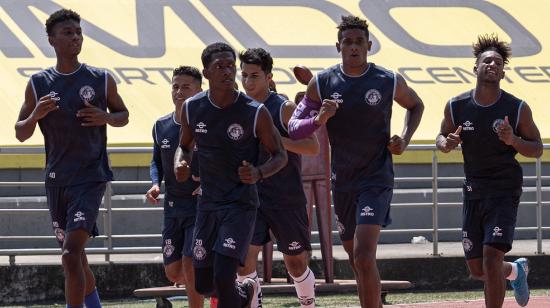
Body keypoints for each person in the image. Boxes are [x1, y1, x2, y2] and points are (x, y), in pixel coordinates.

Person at [288, 15, 424, 307]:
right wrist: (319, 118)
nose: (353, 47)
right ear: (338, 46)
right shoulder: (322, 82)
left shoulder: (387, 80)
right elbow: (294, 128)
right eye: (347, 42)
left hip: (376, 178)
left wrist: (404, 137)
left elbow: (415, 105)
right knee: (356, 259)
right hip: (343, 181)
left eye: (359, 42)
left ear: (369, 46)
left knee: (364, 255)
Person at [14, 9, 129, 308]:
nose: (75, 37)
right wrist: (36, 114)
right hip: (56, 180)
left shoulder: (101, 79)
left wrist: (105, 117)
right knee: (76, 259)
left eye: (78, 32)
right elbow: (20, 133)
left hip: (90, 177)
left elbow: (123, 115)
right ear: (52, 40)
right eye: (68, 32)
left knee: (69, 254)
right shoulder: (39, 83)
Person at [174, 42, 288, 308]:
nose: (227, 72)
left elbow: (281, 155)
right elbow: (184, 146)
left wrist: (258, 172)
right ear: (206, 73)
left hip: (240, 204)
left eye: (230, 66)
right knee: (203, 284)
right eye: (220, 67)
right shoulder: (192, 108)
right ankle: (245, 291)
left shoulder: (254, 111)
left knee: (224, 275)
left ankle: (236, 290)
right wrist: (181, 163)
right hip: (207, 204)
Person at [436, 34, 542, 308]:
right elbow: (441, 137)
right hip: (473, 190)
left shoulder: (516, 108)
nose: (492, 64)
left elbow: (537, 148)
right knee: (478, 270)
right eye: (487, 60)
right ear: (476, 68)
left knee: (492, 258)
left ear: (503, 71)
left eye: (498, 61)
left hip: (504, 189)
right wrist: (446, 143)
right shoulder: (456, 106)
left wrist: (513, 140)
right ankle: (516, 271)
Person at [237, 48, 319, 307]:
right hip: (250, 196)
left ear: (269, 76)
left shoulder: (284, 107)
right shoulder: (238, 107)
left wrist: (275, 141)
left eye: (255, 76)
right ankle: (254, 302)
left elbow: (313, 146)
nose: (248, 82)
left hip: (285, 196)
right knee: (245, 261)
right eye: (245, 76)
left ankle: (308, 302)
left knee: (295, 263)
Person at [145, 66, 204, 307]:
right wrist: (154, 184)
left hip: (199, 206)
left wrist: (208, 183)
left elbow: (222, 159)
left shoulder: (205, 124)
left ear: (199, 90)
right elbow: (156, 161)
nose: (179, 92)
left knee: (190, 263)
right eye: (175, 86)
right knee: (174, 273)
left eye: (186, 87)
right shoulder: (161, 125)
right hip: (172, 207)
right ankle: (222, 287)